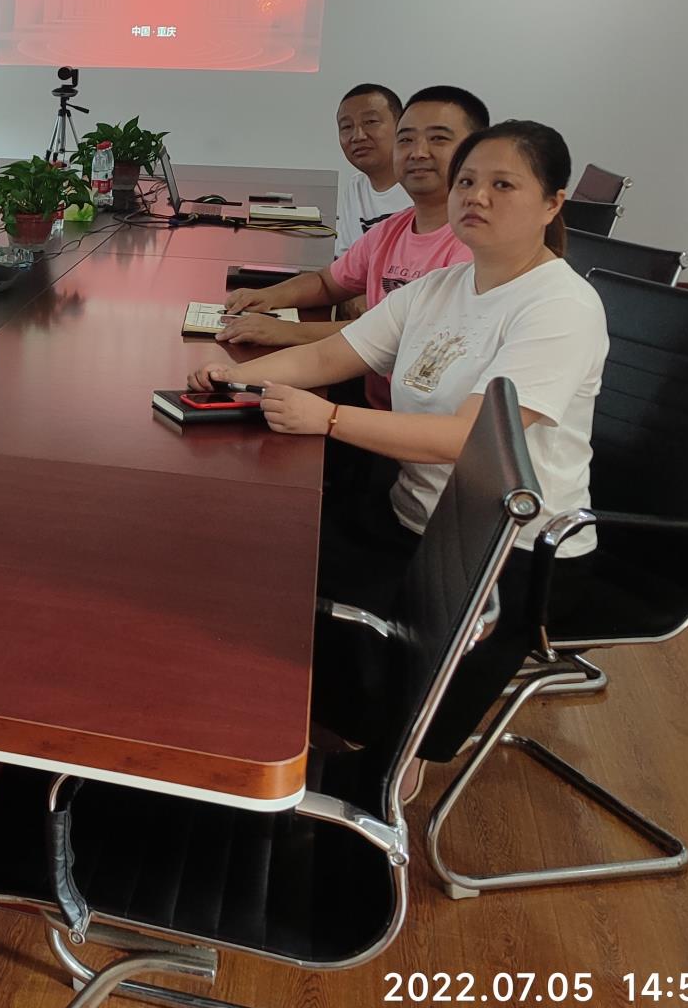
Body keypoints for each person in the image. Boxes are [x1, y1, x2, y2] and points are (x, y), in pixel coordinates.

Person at [190, 120, 604, 755]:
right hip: (410, 521)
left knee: (295, 634)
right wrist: (235, 376)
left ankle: (370, 770)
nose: (476, 197)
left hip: (502, 555)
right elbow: (330, 356)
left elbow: (470, 440)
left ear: (552, 203)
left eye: (502, 185)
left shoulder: (559, 307)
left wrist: (329, 420)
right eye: (467, 182)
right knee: (252, 571)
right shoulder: (442, 286)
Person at [217, 86, 490, 408]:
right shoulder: (391, 229)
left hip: (418, 417)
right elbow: (327, 283)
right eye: (406, 140)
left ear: (476, 152)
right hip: (374, 395)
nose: (418, 152)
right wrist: (268, 297)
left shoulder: (475, 247)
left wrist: (286, 331)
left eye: (438, 139)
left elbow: (397, 338)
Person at [333, 83, 412, 256]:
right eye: (346, 127)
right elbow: (347, 263)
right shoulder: (356, 187)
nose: (358, 136)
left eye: (370, 122)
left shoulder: (424, 186)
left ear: (401, 126)